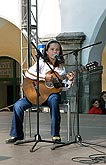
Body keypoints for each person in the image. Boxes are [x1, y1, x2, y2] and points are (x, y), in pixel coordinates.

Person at [6, 39, 74, 144]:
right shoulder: (41, 62)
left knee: (55, 99)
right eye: (52, 49)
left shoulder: (61, 69)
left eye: (57, 50)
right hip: (35, 94)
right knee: (18, 105)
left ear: (60, 52)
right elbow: (28, 74)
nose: (55, 52)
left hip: (50, 97)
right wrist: (44, 77)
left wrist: (69, 81)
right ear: (46, 51)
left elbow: (63, 87)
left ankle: (55, 134)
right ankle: (17, 135)